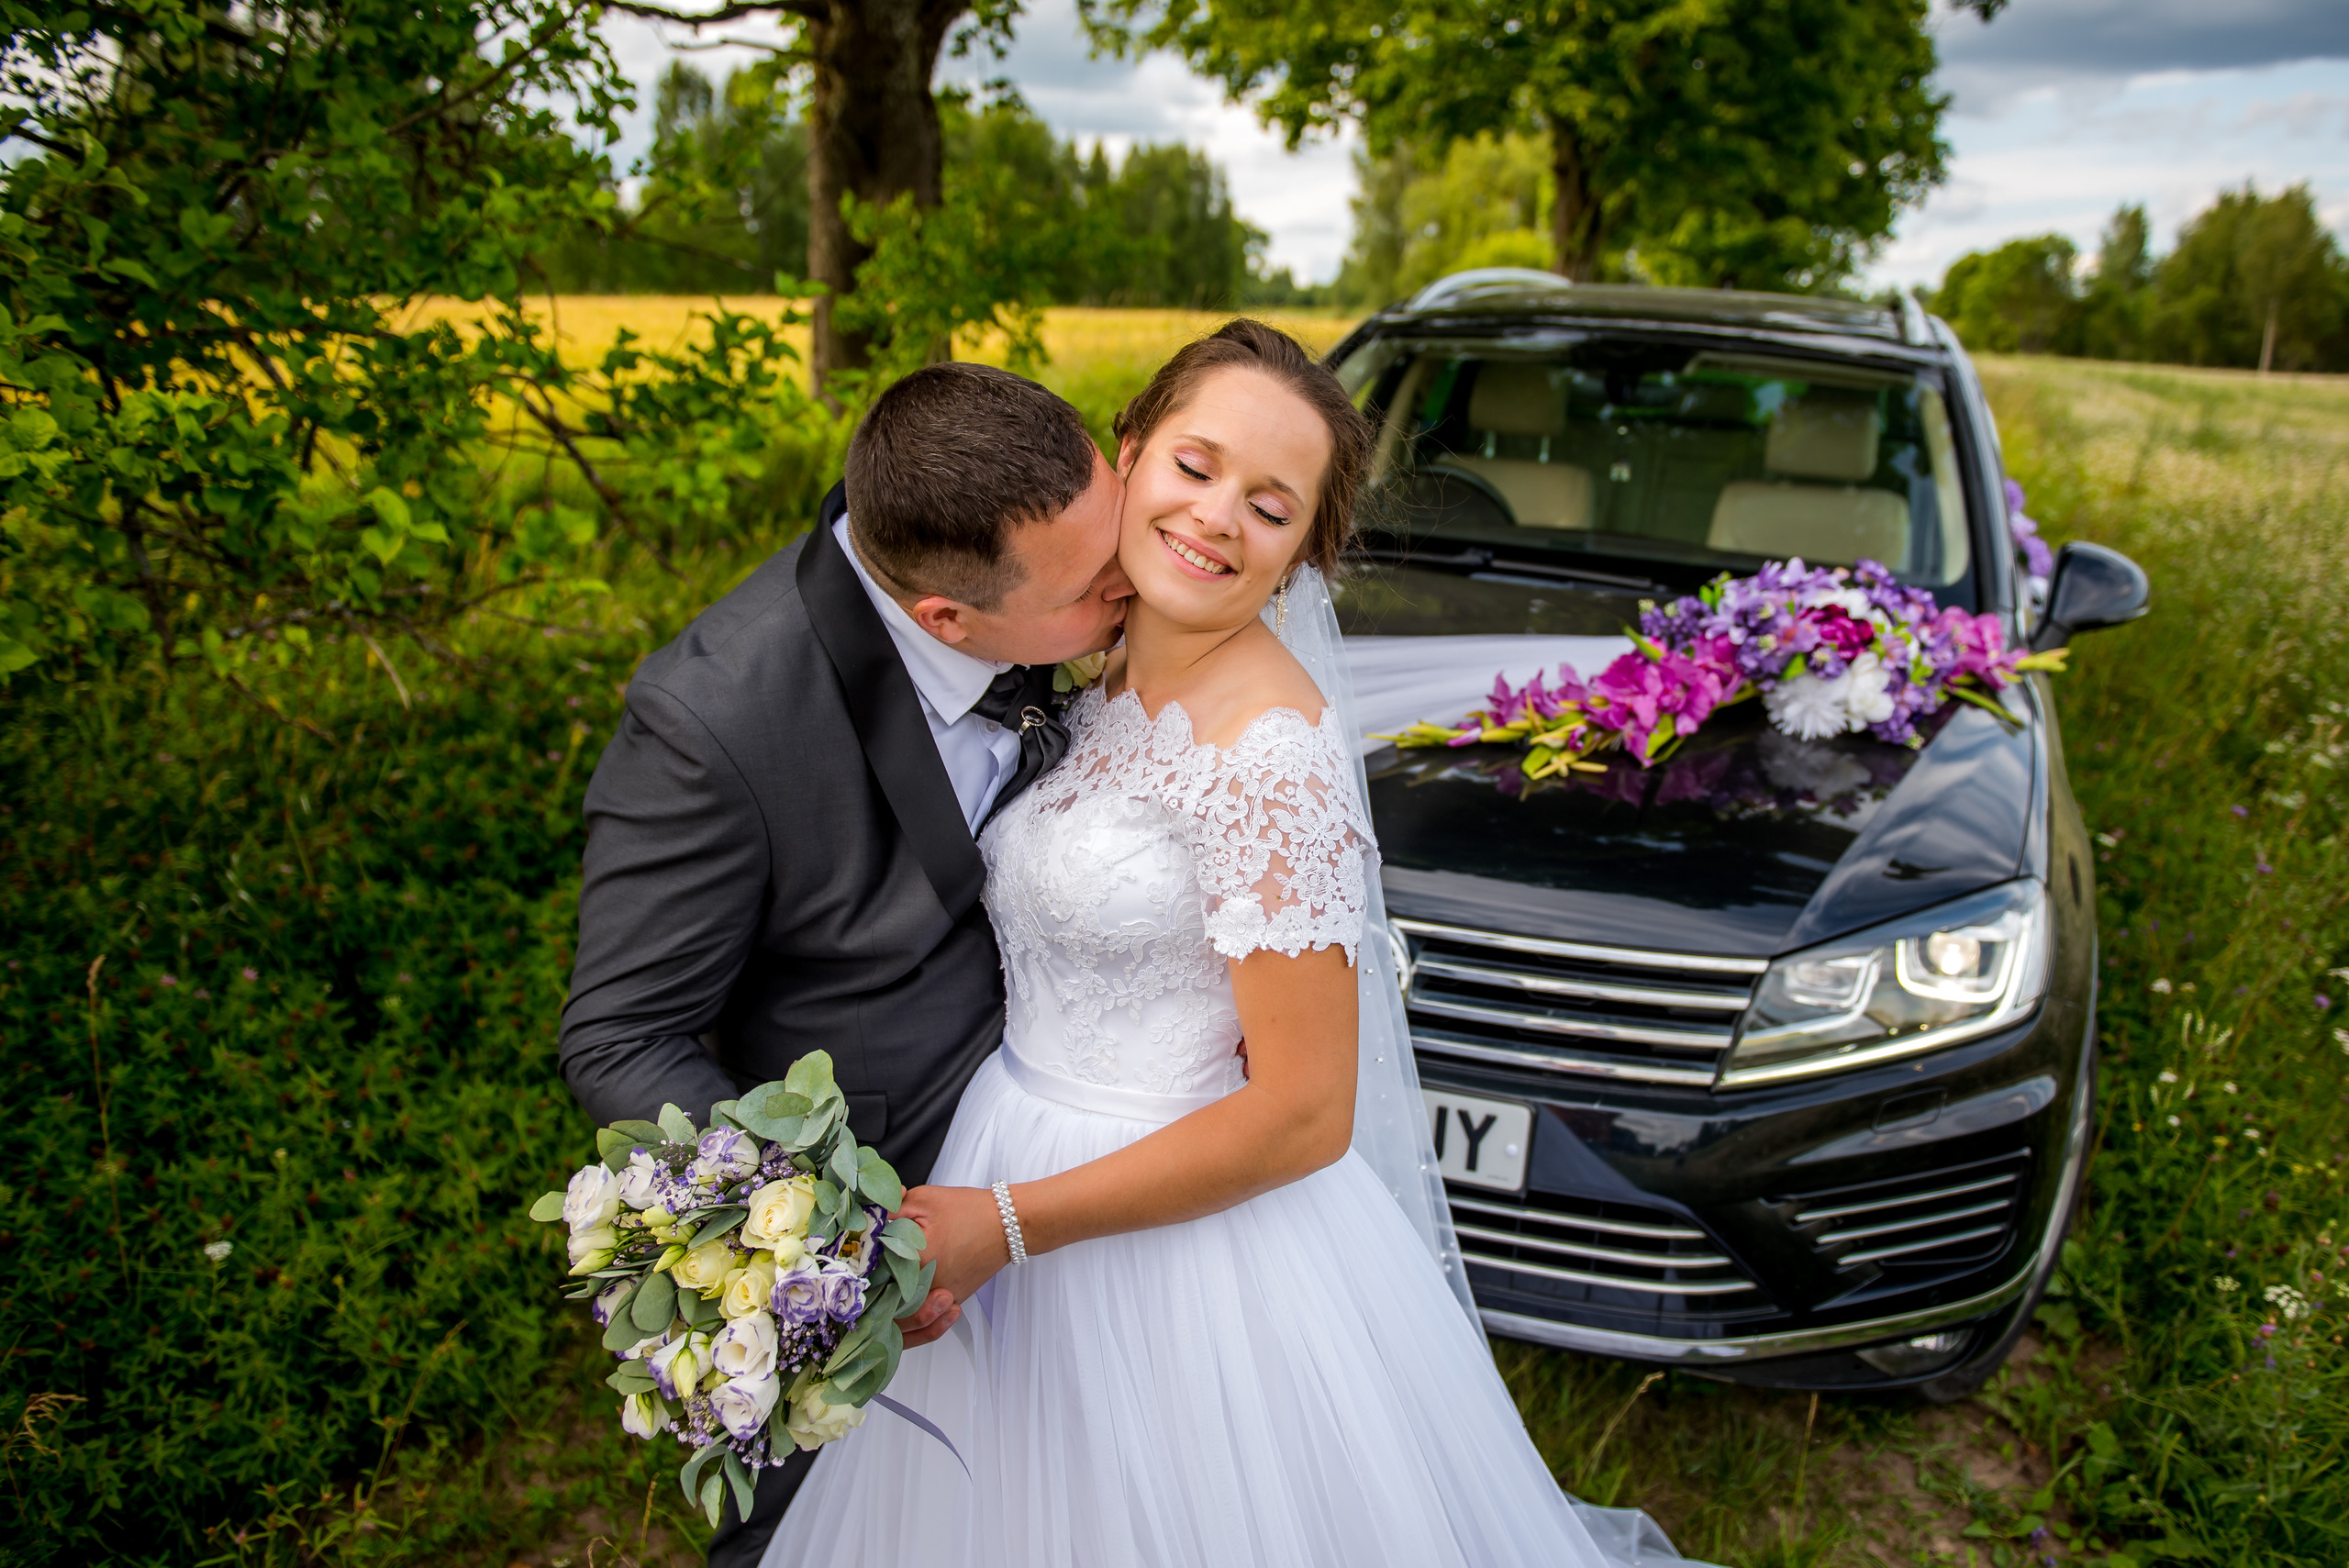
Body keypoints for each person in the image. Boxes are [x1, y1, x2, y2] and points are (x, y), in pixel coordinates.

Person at [757, 320, 1720, 1567]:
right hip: (1004, 1140)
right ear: (1129, 452)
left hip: (1170, 1240)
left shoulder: (1270, 751)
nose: (1216, 519)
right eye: (1196, 466)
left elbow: (1308, 1111)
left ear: (1304, 550)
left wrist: (1006, 1219)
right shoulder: (1089, 672)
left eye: (1271, 506)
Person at [557, 361, 1135, 1567]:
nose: (1134, 580)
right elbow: (622, 1036)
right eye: (1096, 585)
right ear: (947, 620)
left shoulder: (1015, 566)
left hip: (1069, 1171)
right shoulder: (714, 722)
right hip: (900, 1199)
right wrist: (837, 1245)